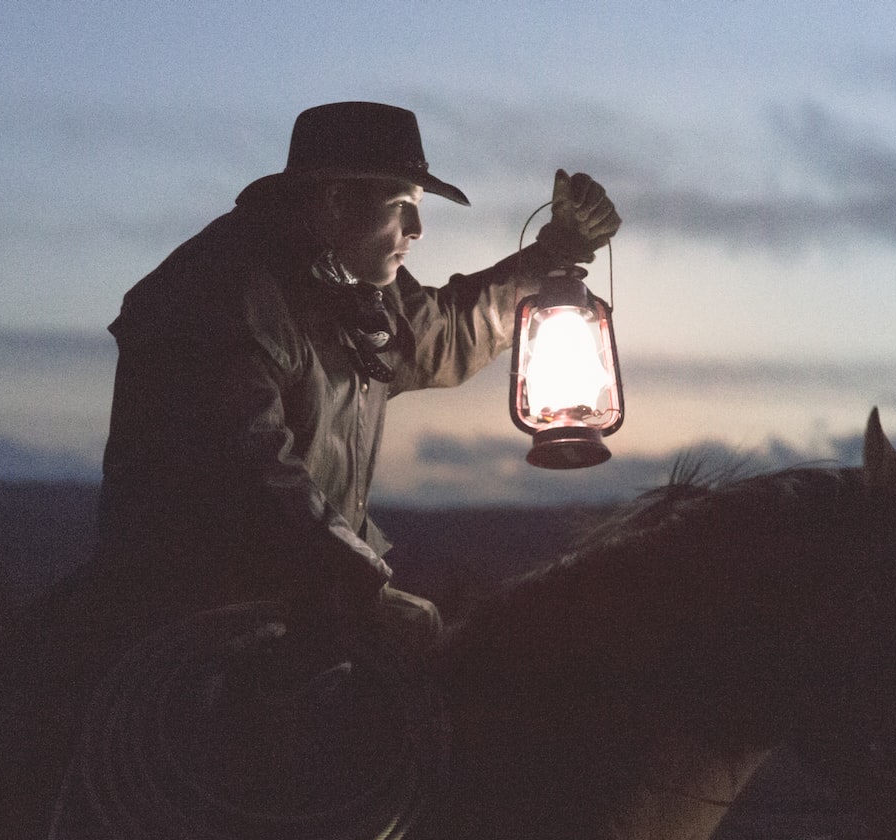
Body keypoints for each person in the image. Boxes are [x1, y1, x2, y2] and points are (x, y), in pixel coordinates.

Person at [84, 101, 620, 656]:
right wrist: (363, 584)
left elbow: (450, 331)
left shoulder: (354, 288)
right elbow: (248, 475)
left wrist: (553, 255)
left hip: (301, 593)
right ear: (337, 200)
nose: (417, 228)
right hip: (194, 611)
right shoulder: (222, 293)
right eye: (401, 206)